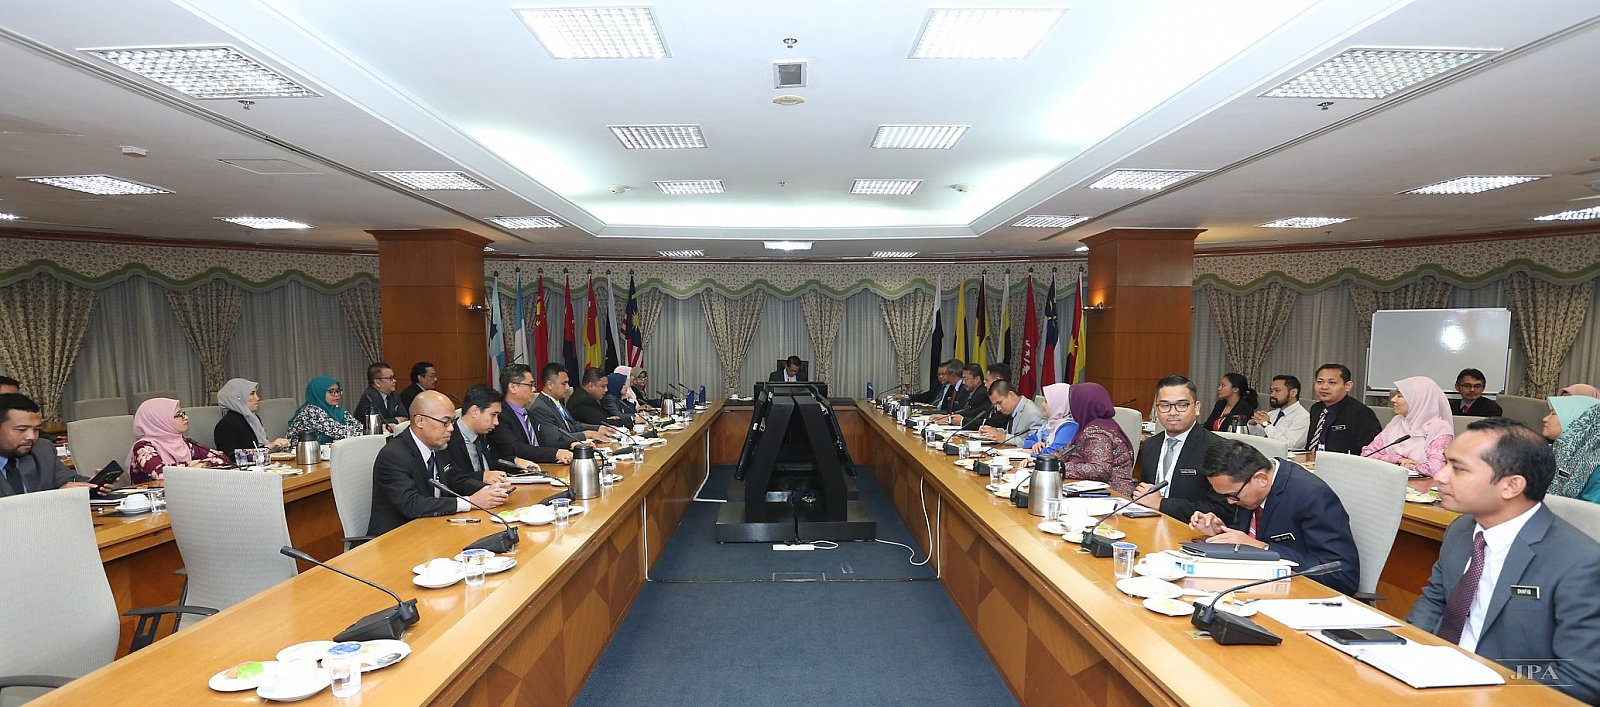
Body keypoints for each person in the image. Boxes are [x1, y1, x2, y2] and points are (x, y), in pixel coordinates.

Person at [1407, 418, 1600, 703]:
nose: (1440, 475)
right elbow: (1434, 603)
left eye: (1458, 468)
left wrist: (1487, 680)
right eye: (1446, 463)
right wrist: (1406, 655)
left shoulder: (1580, 562)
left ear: (1511, 486)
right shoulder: (1462, 530)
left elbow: (1581, 677)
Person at [1189, 440, 1361, 595]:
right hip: (1256, 586)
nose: (1230, 502)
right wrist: (1221, 531)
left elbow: (1342, 576)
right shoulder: (1250, 487)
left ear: (1261, 479)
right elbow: (1252, 532)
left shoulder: (1312, 496)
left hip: (1300, 595)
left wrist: (1261, 548)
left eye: (1233, 496)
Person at [366, 391, 511, 537]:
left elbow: (456, 480)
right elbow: (411, 504)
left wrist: (489, 491)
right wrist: (471, 502)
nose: (451, 428)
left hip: (431, 529)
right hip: (396, 537)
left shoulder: (437, 446)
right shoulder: (394, 455)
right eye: (445, 422)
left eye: (452, 422)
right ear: (420, 421)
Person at [1135, 375, 1229, 521]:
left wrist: (1161, 504)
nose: (1173, 412)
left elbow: (1223, 510)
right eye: (1165, 405)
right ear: (1156, 409)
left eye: (1182, 405)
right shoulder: (1150, 445)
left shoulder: (1218, 449)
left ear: (1196, 407)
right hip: (1149, 523)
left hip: (1189, 528)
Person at [0, 393, 105, 497]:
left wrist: (93, 483)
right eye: (21, 430)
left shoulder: (42, 449)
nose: (31, 437)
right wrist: (55, 496)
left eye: (36, 429)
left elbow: (67, 479)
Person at [1050, 382, 1136, 497]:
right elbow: (1068, 450)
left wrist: (1061, 467)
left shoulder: (1097, 433)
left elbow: (1100, 469)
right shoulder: (1098, 424)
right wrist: (1047, 460)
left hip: (1113, 495)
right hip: (1097, 490)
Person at [1361, 376, 1455, 476]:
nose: (1393, 399)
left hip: (1424, 484)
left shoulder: (1439, 428)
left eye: (1399, 395)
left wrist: (1410, 466)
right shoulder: (1397, 421)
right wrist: (1398, 460)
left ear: (1418, 400)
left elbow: (1436, 468)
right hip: (1391, 480)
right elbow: (1367, 453)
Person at [127, 398, 230, 484]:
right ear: (160, 420)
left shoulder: (183, 442)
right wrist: (190, 465)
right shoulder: (143, 447)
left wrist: (200, 464)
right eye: (178, 415)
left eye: (183, 413)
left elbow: (222, 458)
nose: (186, 418)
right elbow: (161, 473)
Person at [487, 364, 574, 465]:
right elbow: (515, 449)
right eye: (530, 385)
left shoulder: (528, 414)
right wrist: (554, 453)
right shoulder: (499, 416)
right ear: (513, 387)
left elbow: (542, 444)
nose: (534, 389)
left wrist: (570, 445)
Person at [441, 384, 514, 490]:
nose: (496, 422)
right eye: (493, 415)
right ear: (474, 412)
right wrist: (482, 477)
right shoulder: (447, 439)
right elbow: (452, 480)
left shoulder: (483, 434)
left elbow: (495, 461)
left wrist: (516, 461)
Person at [529, 363, 615, 447]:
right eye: (564, 384)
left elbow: (572, 425)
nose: (567, 387)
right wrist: (586, 434)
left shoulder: (556, 403)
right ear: (550, 385)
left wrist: (598, 428)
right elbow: (556, 439)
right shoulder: (540, 408)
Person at [1304, 363, 1382, 454]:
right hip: (1311, 460)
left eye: (1332, 383)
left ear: (1347, 386)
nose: (1324, 387)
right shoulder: (1316, 408)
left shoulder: (1361, 413)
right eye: (1320, 382)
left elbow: (1371, 452)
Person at [213, 378, 290, 459]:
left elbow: (257, 447)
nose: (257, 398)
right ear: (238, 398)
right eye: (252, 394)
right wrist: (269, 447)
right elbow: (231, 457)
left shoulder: (253, 419)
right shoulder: (226, 424)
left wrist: (273, 447)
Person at [1544, 395, 1600, 503]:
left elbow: (1590, 510)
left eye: (1553, 414)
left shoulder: (1594, 465)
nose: (1545, 419)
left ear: (1579, 420)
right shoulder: (1554, 451)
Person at [287, 376, 363, 443]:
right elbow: (340, 432)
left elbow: (360, 427)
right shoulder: (311, 411)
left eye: (338, 391)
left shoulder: (338, 410)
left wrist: (357, 430)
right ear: (320, 392)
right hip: (299, 451)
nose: (336, 395)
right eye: (331, 391)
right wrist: (354, 430)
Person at [1248, 375, 1309, 450]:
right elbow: (1261, 437)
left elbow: (1289, 446)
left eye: (1277, 390)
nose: (1272, 395)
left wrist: (1266, 424)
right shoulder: (1272, 414)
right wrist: (1253, 424)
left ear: (1293, 393)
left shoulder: (1303, 417)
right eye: (1271, 391)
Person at [977, 379, 1042, 445]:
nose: (998, 409)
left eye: (999, 402)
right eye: (996, 405)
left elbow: (1035, 443)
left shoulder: (1033, 413)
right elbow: (1013, 434)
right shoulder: (1015, 409)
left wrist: (1004, 438)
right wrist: (995, 431)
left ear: (1011, 395)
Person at [1023, 383, 1078, 455]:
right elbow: (1027, 441)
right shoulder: (1049, 424)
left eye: (1046, 401)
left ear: (1058, 404)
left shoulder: (1069, 427)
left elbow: (1054, 453)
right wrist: (1035, 445)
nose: (1042, 404)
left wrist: (1035, 453)